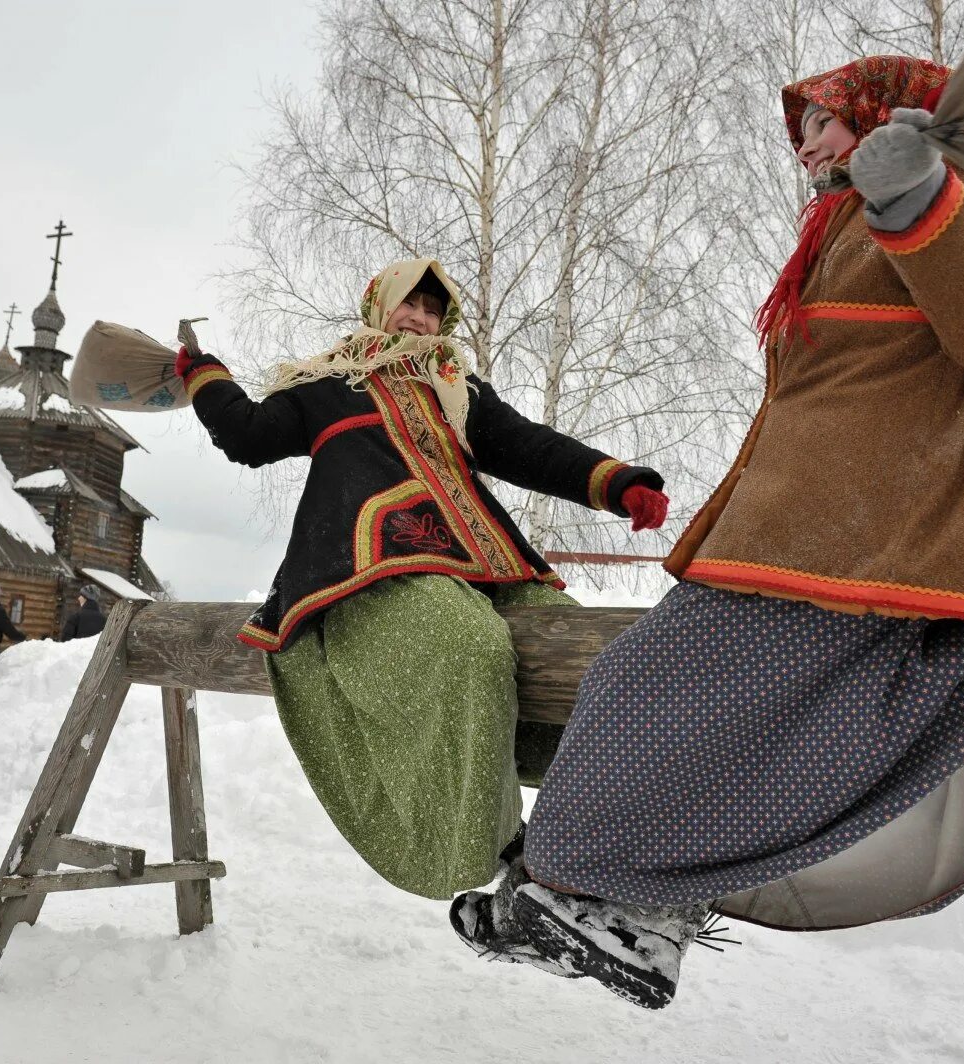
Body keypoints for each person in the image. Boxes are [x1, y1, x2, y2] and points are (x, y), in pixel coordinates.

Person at [458, 56, 964, 1011]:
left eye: (823, 121)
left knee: (653, 686)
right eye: (799, 125)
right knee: (667, 695)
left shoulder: (956, 183)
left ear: (887, 117)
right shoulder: (842, 220)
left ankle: (600, 892)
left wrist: (922, 196)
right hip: (808, 526)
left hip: (880, 528)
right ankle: (604, 899)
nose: (803, 141)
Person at [175, 257, 668, 906]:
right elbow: (248, 436)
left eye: (434, 309)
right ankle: (506, 863)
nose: (420, 317)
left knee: (592, 650)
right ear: (379, 307)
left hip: (483, 560)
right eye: (409, 303)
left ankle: (621, 837)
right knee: (471, 647)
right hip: (370, 568)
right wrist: (203, 374)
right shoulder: (329, 386)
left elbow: (527, 446)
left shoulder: (455, 388)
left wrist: (615, 481)